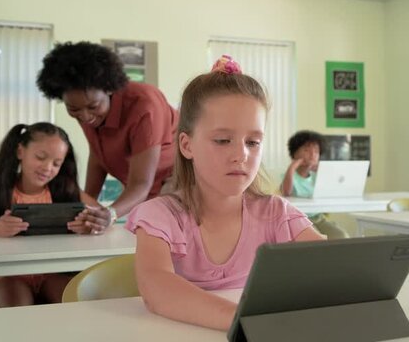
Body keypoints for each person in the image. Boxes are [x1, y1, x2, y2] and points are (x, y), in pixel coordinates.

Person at [125, 55, 324, 331]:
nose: (241, 155)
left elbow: (329, 266)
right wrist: (246, 321)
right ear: (186, 145)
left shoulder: (277, 212)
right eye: (222, 140)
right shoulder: (159, 216)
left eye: (253, 142)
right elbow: (157, 289)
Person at [0, 122, 111, 307]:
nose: (47, 168)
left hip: (52, 271)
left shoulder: (64, 188)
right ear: (20, 152)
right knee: (17, 311)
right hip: (9, 273)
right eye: (40, 157)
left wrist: (90, 224)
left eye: (56, 163)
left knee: (77, 305)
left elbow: (103, 215)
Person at [36, 41, 179, 222]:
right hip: (144, 188)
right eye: (73, 109)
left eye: (93, 106)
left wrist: (110, 214)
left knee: (163, 226)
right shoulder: (87, 109)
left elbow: (141, 183)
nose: (86, 117)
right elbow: (98, 155)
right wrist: (87, 204)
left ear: (110, 89)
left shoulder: (145, 106)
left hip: (178, 179)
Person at [280, 130, 349, 239]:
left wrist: (323, 173)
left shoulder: (317, 176)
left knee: (342, 236)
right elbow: (286, 192)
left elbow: (331, 193)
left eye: (316, 151)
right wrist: (292, 167)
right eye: (307, 150)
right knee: (317, 239)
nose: (312, 154)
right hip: (299, 220)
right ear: (294, 153)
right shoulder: (289, 176)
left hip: (318, 217)